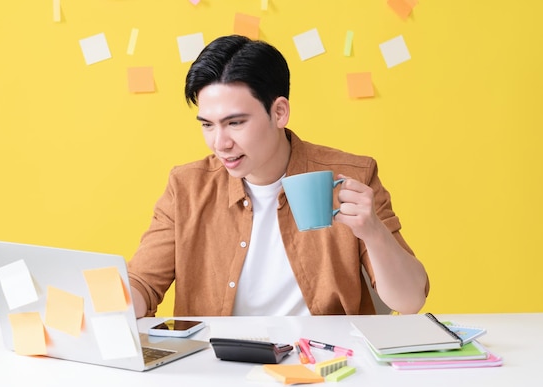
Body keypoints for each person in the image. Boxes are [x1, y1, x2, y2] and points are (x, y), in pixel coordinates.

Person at [128, 34, 429, 318]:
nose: (220, 143)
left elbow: (410, 300)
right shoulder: (187, 187)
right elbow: (142, 283)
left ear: (279, 112)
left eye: (235, 122)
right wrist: (109, 304)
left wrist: (374, 233)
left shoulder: (351, 175)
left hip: (326, 363)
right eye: (208, 125)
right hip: (218, 365)